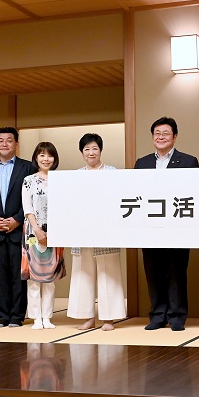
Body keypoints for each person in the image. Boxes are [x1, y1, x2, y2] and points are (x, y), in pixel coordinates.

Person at [134, 117, 199, 331]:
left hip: (178, 225)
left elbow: (194, 193)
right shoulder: (141, 163)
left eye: (165, 133)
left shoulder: (189, 161)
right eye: (157, 133)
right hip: (149, 226)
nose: (161, 137)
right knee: (153, 272)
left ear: (175, 137)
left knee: (176, 272)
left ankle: (177, 316)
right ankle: (157, 315)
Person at [67, 133, 126, 331]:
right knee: (83, 275)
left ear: (101, 150)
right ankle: (87, 317)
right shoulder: (76, 174)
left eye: (94, 148)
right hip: (81, 233)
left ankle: (108, 318)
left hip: (106, 231)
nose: (91, 153)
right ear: (82, 152)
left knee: (109, 274)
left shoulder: (112, 172)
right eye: (86, 149)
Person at [0, 127, 35, 328]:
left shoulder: (27, 167)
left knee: (18, 274)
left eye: (9, 140)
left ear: (16, 144)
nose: (4, 144)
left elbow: (32, 198)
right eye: (0, 140)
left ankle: (17, 315)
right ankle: (2, 315)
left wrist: (17, 219)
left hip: (18, 229)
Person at [22, 142, 66, 330]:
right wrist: (38, 230)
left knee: (50, 277)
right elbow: (27, 208)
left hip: (56, 232)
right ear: (36, 158)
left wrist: (52, 231)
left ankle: (47, 316)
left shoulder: (61, 180)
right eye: (42, 155)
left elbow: (64, 207)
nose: (46, 159)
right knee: (34, 277)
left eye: (49, 155)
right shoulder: (28, 180)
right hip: (32, 231)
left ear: (54, 158)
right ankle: (35, 317)